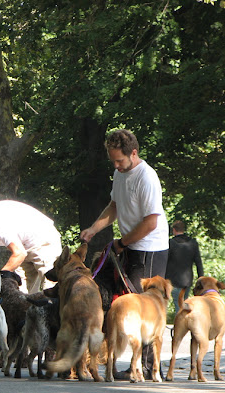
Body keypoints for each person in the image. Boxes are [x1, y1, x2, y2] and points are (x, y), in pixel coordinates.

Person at [80, 129, 169, 379]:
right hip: (130, 245)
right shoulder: (120, 175)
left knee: (144, 305)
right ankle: (124, 364)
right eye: (113, 161)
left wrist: (121, 242)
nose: (116, 166)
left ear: (134, 153)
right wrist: (94, 228)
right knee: (126, 303)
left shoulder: (147, 177)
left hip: (150, 247)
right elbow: (114, 206)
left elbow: (151, 222)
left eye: (119, 160)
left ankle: (149, 367)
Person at [165, 220, 204, 312]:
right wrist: (201, 279)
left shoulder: (170, 243)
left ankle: (180, 326)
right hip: (187, 281)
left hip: (172, 280)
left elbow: (164, 261)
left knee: (178, 306)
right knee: (183, 303)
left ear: (174, 230)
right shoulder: (193, 243)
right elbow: (198, 262)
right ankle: (184, 325)